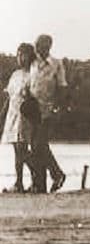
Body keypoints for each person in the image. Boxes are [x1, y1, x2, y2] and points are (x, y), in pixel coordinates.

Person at [28, 34, 68, 193]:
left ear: (48, 46)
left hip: (48, 109)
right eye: (36, 44)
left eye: (40, 45)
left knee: (39, 144)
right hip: (32, 110)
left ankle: (57, 174)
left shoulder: (56, 64)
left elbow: (62, 87)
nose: (37, 48)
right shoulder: (32, 63)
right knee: (36, 146)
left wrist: (58, 107)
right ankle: (40, 184)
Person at [2, 43, 39, 193]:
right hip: (12, 114)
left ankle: (36, 177)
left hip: (25, 115)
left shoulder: (33, 74)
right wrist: (2, 115)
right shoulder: (15, 75)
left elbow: (34, 97)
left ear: (30, 56)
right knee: (16, 151)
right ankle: (19, 182)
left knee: (22, 150)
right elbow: (9, 97)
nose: (20, 58)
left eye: (23, 55)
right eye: (18, 54)